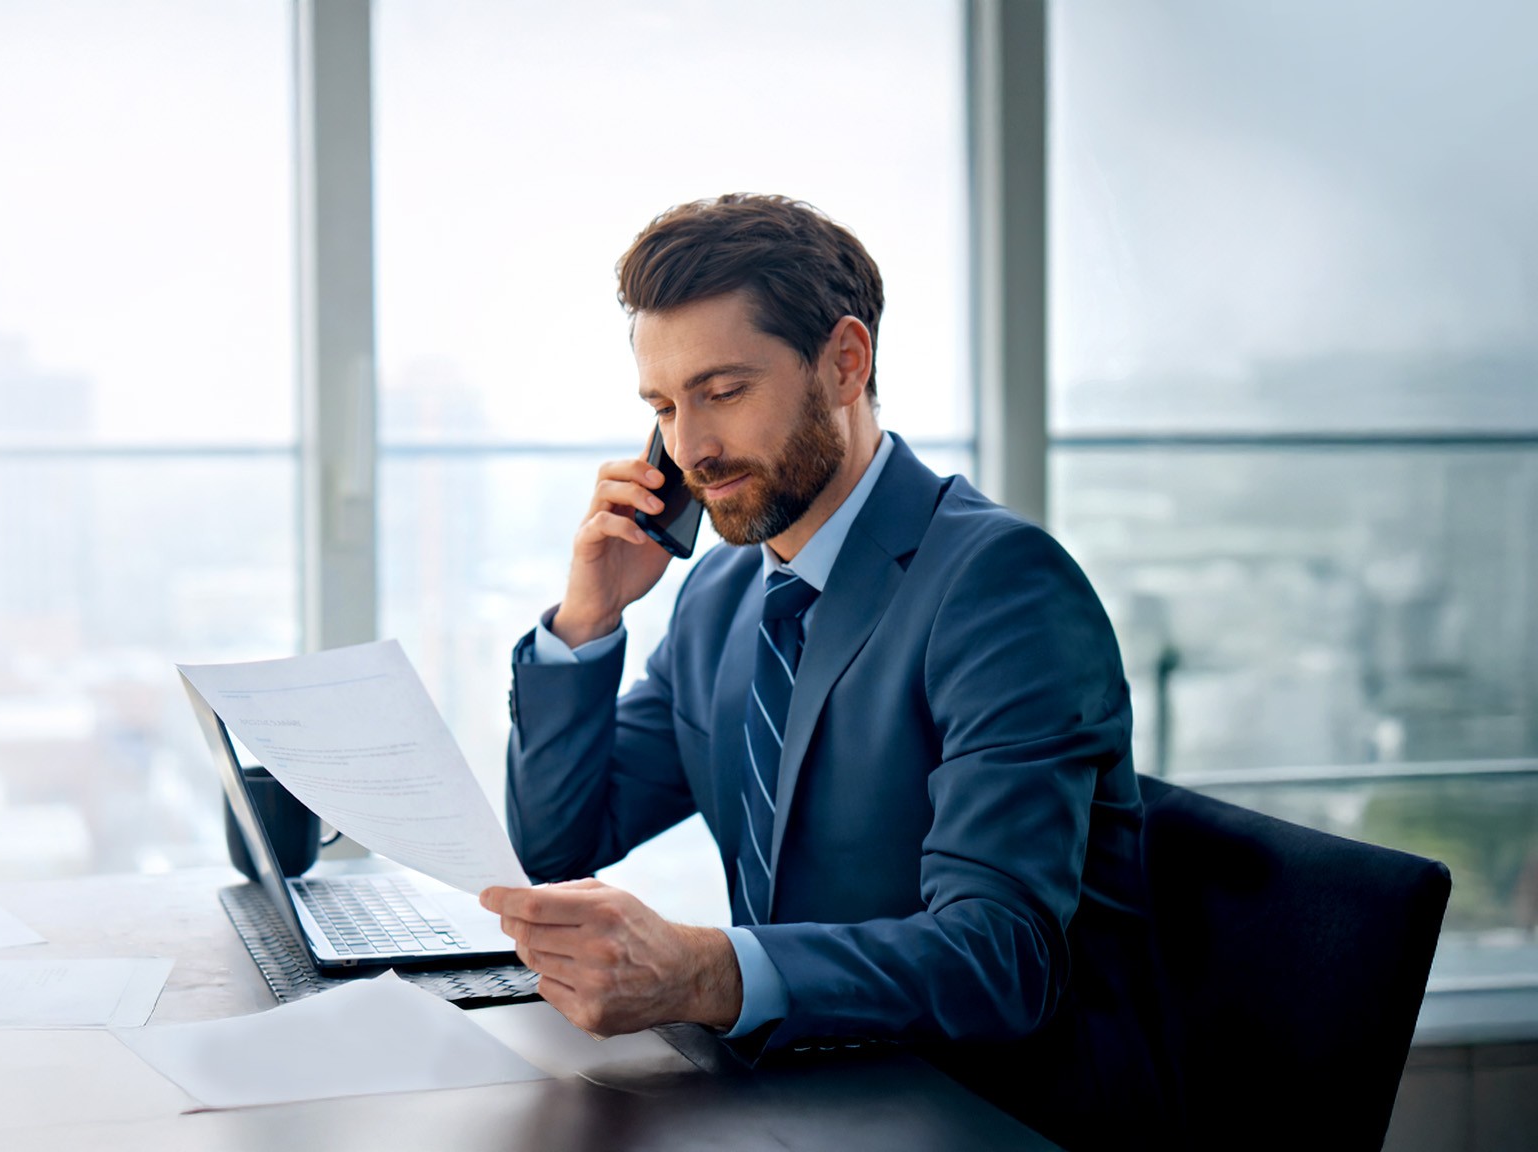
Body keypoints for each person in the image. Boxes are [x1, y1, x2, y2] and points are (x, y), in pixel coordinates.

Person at [478, 194, 1178, 1149]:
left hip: (982, 1113)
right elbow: (558, 846)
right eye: (664, 408)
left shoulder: (1000, 586)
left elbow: (999, 958)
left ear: (845, 363)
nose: (689, 450)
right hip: (799, 1098)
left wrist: (706, 971)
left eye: (723, 391)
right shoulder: (721, 592)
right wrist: (588, 620)